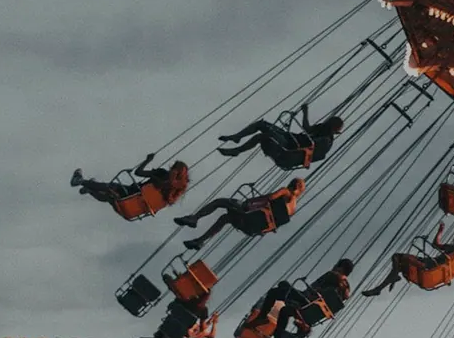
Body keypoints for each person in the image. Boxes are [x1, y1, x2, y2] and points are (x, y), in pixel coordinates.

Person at [174, 178, 306, 251]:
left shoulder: (285, 191)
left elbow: (270, 198)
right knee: (225, 218)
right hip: (254, 228)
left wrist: (251, 202)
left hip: (251, 216)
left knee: (221, 202)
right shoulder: (293, 209)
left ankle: (194, 218)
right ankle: (199, 241)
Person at [219, 105, 345, 170]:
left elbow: (313, 150)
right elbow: (307, 128)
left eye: (330, 123)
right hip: (289, 139)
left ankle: (237, 150)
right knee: (262, 125)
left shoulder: (326, 141)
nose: (326, 124)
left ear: (333, 128)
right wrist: (305, 112)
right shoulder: (321, 128)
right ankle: (237, 137)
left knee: (263, 136)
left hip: (290, 148)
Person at [361, 223, 454, 297]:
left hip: (427, 265)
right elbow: (437, 244)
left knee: (398, 257)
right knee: (398, 263)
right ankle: (381, 287)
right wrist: (440, 231)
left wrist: (440, 233)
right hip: (428, 263)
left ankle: (383, 285)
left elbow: (438, 249)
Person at [71, 153, 189, 210]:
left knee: (110, 187)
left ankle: (80, 180)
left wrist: (147, 161)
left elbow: (138, 172)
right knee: (109, 197)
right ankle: (90, 189)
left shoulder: (162, 174)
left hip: (133, 193)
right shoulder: (171, 194)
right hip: (137, 207)